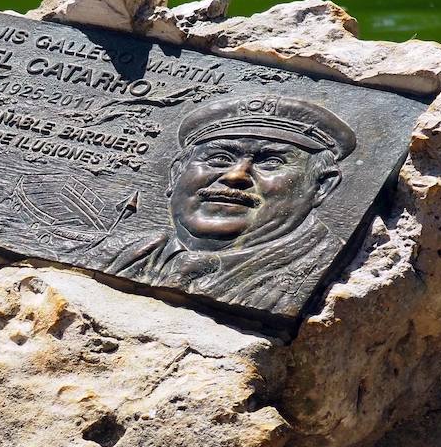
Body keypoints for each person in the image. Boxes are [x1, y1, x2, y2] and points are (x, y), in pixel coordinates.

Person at [98, 95, 356, 311]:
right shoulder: (115, 251)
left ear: (322, 186)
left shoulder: (331, 277)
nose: (235, 176)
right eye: (219, 158)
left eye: (270, 162)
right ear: (176, 174)